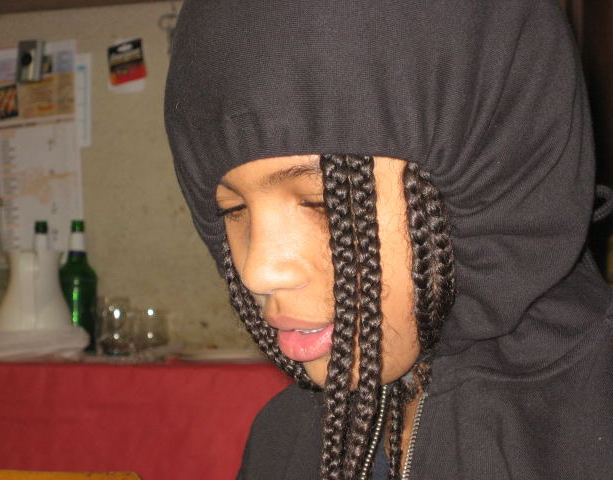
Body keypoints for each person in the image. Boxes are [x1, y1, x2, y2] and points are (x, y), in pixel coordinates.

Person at [164, 1, 613, 479]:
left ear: (495, 169)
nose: (258, 271)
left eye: (323, 201)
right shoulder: (285, 438)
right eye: (233, 210)